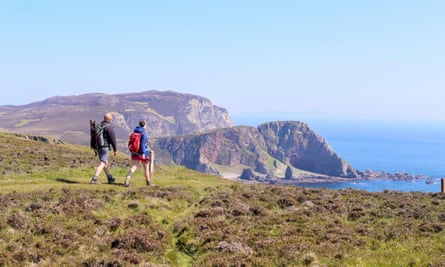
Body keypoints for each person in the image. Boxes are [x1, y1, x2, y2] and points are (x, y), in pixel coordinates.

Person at [91, 113, 117, 184]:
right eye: (111, 118)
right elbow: (113, 139)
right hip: (105, 147)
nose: (112, 119)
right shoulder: (109, 127)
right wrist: (115, 150)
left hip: (99, 147)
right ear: (109, 119)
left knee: (105, 162)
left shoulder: (99, 126)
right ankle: (94, 179)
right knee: (103, 163)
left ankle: (110, 178)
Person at [125, 120, 153, 187]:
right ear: (144, 125)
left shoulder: (134, 133)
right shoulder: (144, 134)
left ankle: (127, 180)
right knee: (146, 168)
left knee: (133, 167)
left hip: (134, 152)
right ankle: (148, 183)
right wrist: (143, 153)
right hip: (143, 153)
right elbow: (143, 144)